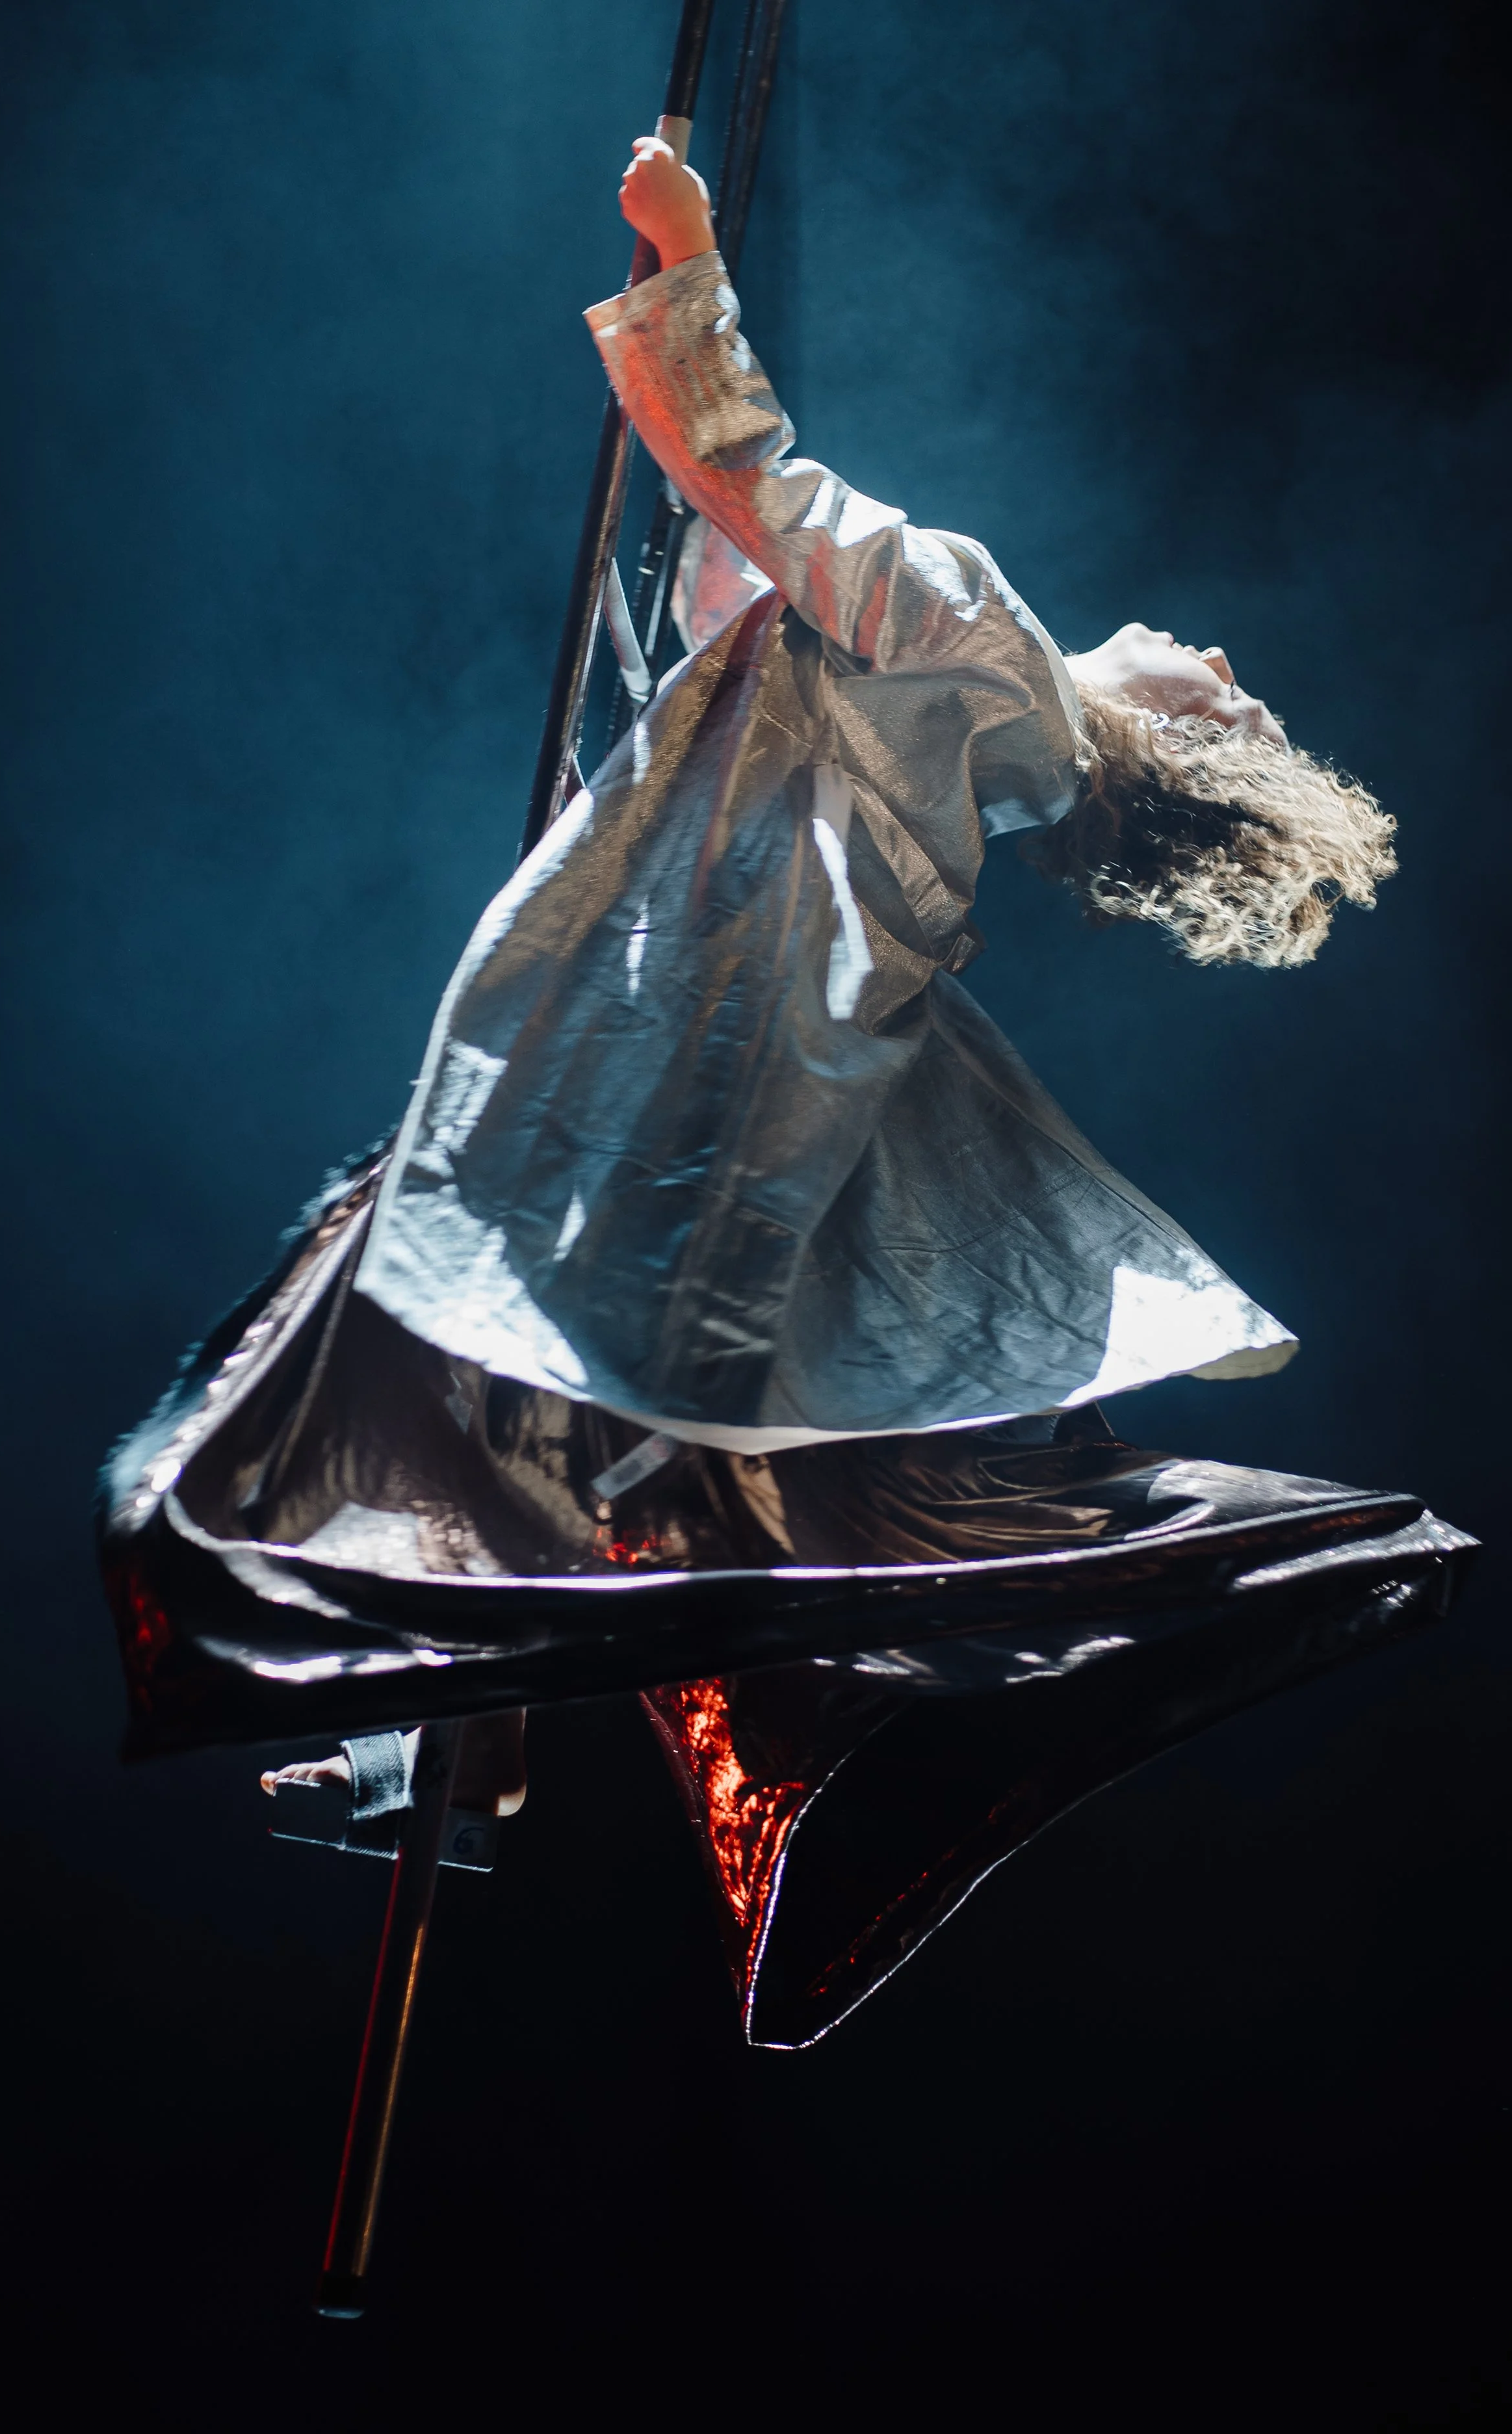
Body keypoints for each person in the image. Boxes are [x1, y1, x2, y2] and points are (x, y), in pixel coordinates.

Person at [248, 135, 1400, 1822]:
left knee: (486, 1326)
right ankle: (468, 1737)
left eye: (1229, 699)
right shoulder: (982, 744)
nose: (1214, 654)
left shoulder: (981, 631)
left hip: (712, 1040)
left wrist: (682, 261)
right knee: (555, 1378)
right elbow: (750, 619)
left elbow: (763, 496)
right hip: (743, 1047)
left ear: (1167, 740)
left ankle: (472, 1731)